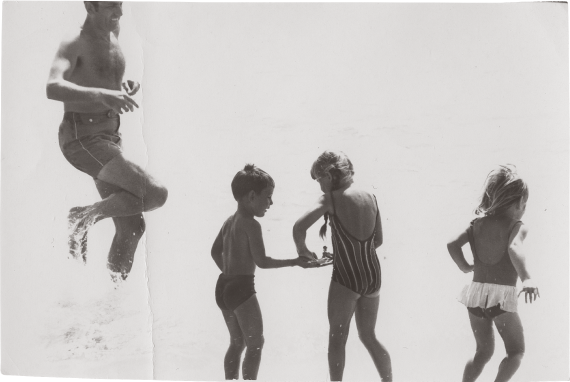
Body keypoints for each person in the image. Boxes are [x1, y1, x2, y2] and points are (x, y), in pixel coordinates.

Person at [46, 1, 168, 281]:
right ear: (89, 5)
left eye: (121, 4)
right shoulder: (74, 41)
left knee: (132, 227)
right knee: (155, 194)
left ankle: (113, 299)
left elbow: (100, 77)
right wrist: (103, 94)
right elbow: (53, 87)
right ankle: (81, 217)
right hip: (82, 138)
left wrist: (121, 87)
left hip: (109, 137)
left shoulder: (114, 32)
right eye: (111, 6)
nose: (120, 12)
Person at [292, 151, 393, 382]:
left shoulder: (330, 199)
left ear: (329, 175)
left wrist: (303, 252)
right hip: (373, 275)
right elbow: (377, 241)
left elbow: (298, 228)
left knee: (337, 338)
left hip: (346, 276)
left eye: (319, 180)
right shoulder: (370, 196)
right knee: (369, 336)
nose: (319, 186)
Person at [211, 164, 317, 380]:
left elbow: (214, 252)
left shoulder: (228, 222)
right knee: (256, 345)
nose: (271, 202)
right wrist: (295, 261)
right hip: (241, 289)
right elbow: (263, 262)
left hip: (223, 287)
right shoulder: (251, 225)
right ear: (251, 196)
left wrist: (231, 272)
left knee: (236, 343)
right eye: (268, 196)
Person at [447, 165, 539, 382]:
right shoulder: (516, 225)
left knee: (482, 352)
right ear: (518, 203)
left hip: (475, 296)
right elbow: (514, 248)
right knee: (516, 351)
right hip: (501, 300)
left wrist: (464, 266)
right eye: (524, 204)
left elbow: (452, 244)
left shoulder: (476, 224)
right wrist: (527, 278)